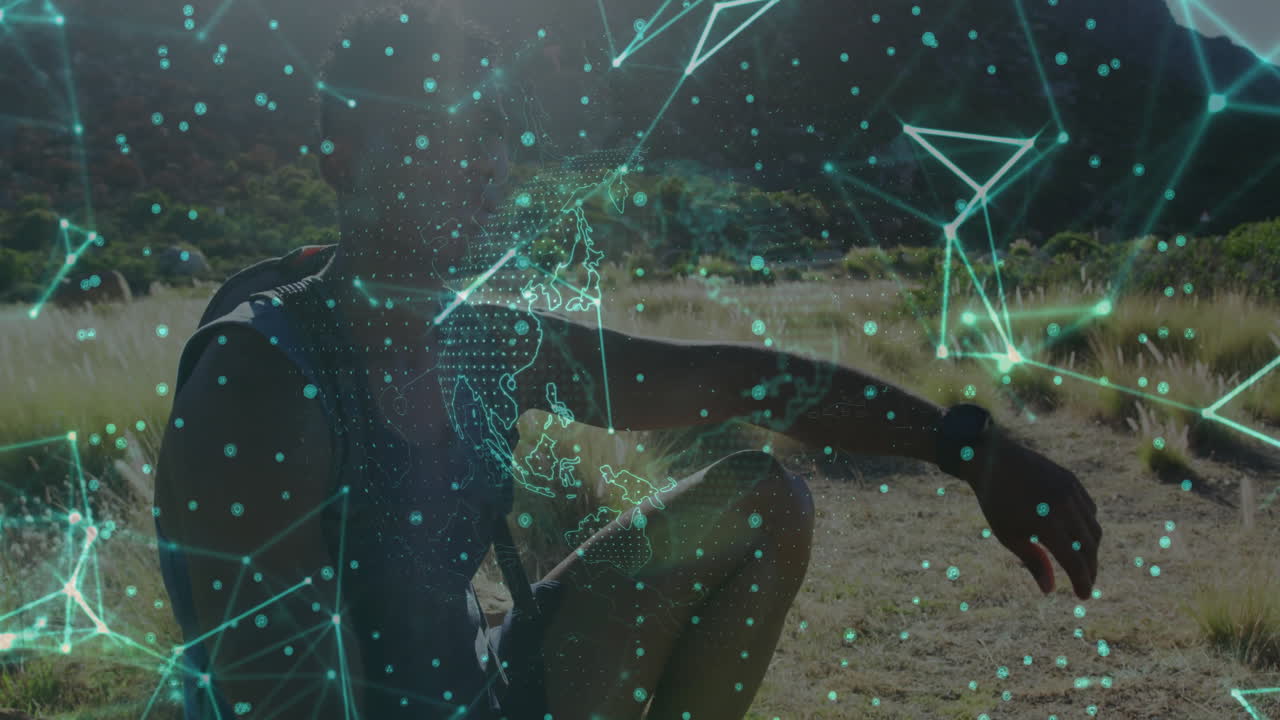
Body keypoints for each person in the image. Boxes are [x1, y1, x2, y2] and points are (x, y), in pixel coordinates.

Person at [152, 5, 1102, 719]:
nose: (479, 167)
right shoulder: (261, 383)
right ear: (341, 160)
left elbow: (741, 381)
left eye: (490, 133)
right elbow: (278, 695)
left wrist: (969, 449)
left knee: (764, 500)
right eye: (433, 133)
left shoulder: (487, 341)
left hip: (491, 688)